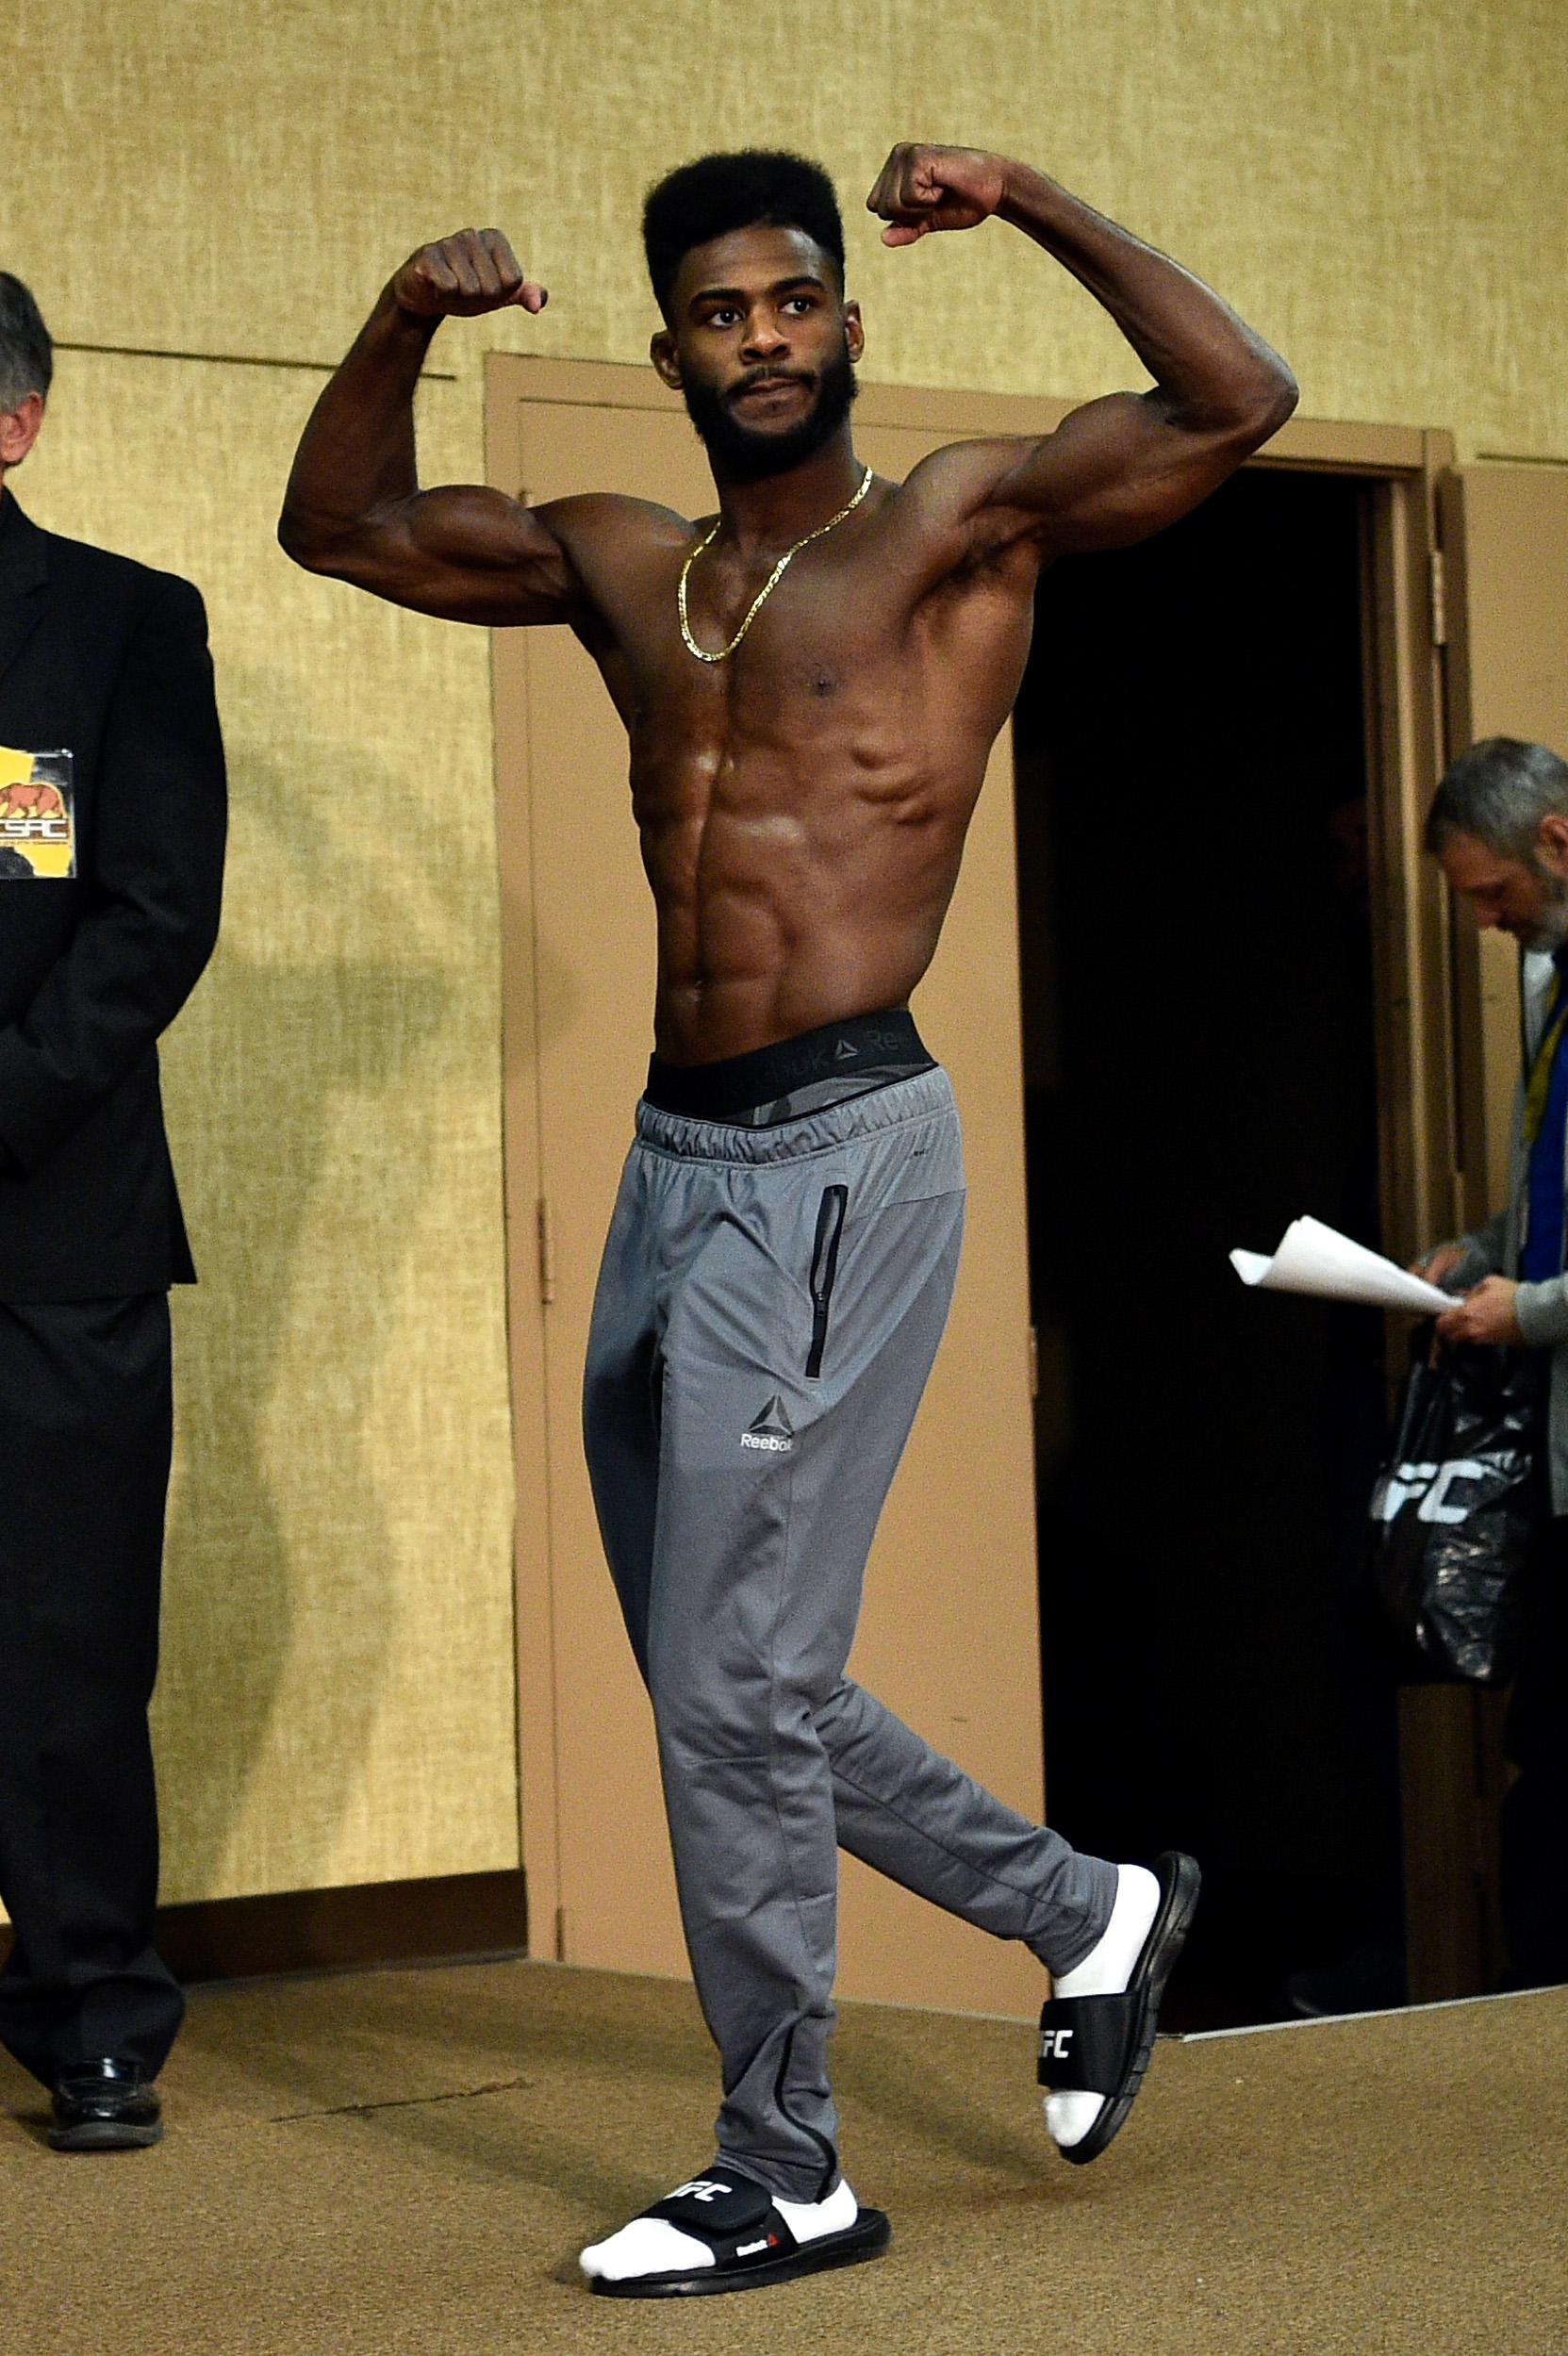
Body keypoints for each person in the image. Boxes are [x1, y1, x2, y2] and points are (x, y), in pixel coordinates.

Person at [279, 143, 1296, 2295]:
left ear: (848, 320)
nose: (759, 338)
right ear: (668, 349)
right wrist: (401, 315)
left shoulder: (952, 528)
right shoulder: (624, 564)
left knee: (734, 1684)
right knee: (719, 1682)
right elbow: (337, 527)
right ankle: (1080, 1905)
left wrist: (1027, 197)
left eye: (791, 300)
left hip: (842, 1153)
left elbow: (1235, 404)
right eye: (720, 313)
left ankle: (787, 2159)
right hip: (672, 1163)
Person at [0, 273, 227, 2148]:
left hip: (50, 1228)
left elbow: (151, 917)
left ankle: (90, 2014)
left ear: (17, 421)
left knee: (66, 1637)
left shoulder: (127, 629)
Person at [1419, 735, 1568, 1991]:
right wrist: (1482, 1253)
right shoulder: (1555, 984)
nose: (1482, 920)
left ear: (1557, 841)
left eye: (1491, 893)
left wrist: (1525, 1314)